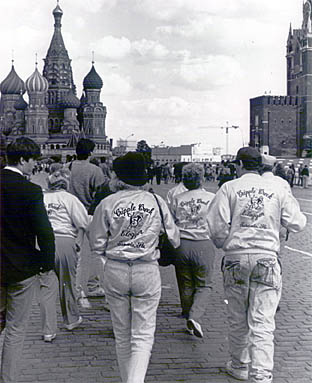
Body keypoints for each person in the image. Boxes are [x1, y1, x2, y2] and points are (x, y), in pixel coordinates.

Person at [206, 147, 306, 383]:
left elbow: (215, 225)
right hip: (266, 257)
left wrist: (225, 242)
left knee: (237, 316)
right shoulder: (277, 188)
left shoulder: (229, 188)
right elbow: (297, 222)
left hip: (236, 256)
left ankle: (240, 364)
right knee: (263, 319)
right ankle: (261, 372)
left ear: (239, 165)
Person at [89, 152, 180, 383]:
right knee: (142, 335)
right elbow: (175, 239)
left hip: (116, 267)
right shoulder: (157, 202)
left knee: (122, 335)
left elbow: (96, 242)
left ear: (118, 177)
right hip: (146, 268)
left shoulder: (107, 203)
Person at [0, 137, 55, 382]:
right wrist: (46, 265)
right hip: (22, 270)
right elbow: (44, 232)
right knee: (15, 328)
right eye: (33, 161)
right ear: (22, 160)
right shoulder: (31, 190)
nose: (35, 166)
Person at [40, 168, 90, 341]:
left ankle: (48, 330)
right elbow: (83, 222)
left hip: (43, 243)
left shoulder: (42, 198)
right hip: (64, 241)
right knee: (67, 283)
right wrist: (80, 240)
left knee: (46, 287)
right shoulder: (70, 199)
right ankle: (71, 319)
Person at [169, 163, 215, 337]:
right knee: (204, 284)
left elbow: (171, 221)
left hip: (182, 243)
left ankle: (187, 311)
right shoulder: (211, 197)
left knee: (185, 281)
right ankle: (195, 317)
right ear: (202, 178)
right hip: (203, 242)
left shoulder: (178, 198)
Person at [69, 138, 106, 298]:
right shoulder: (95, 170)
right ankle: (93, 286)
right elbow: (102, 192)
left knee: (75, 252)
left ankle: (75, 289)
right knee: (97, 251)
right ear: (90, 152)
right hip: (91, 213)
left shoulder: (68, 167)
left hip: (72, 214)